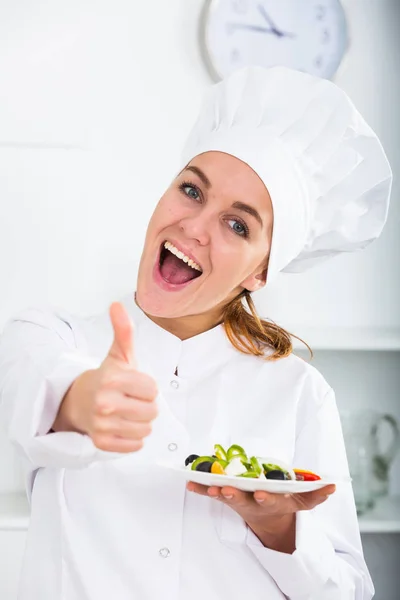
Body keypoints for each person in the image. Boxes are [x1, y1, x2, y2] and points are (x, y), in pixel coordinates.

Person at [0, 66, 392, 600]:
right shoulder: (51, 337)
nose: (195, 226)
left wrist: (279, 530)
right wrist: (82, 402)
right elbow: (36, 388)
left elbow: (347, 591)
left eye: (238, 225)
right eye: (191, 191)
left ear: (261, 271)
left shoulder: (299, 393)